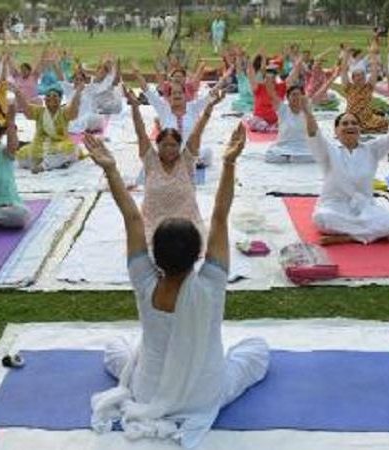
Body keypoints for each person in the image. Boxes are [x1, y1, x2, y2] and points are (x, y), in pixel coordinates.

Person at [86, 123, 269, 448]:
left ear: (154, 253)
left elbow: (132, 218)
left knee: (116, 347)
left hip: (147, 392)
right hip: (204, 393)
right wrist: (229, 162)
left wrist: (111, 169)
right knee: (256, 349)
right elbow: (220, 217)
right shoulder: (211, 284)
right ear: (198, 253)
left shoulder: (144, 280)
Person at [303, 90, 389, 246]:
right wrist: (308, 113)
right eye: (345, 123)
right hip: (335, 207)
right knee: (322, 218)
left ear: (360, 129)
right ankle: (367, 233)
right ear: (336, 131)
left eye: (354, 123)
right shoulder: (328, 151)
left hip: (365, 208)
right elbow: (314, 135)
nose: (350, 126)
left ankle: (349, 237)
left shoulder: (372, 149)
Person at [123, 85, 223, 244]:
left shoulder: (187, 160)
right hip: (153, 222)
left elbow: (198, 131)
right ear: (157, 145)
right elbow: (140, 132)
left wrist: (209, 109)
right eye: (165, 145)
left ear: (180, 146)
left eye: (173, 145)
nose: (169, 149)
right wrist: (135, 107)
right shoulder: (150, 160)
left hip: (186, 221)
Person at [132, 61, 227, 165]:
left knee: (208, 152)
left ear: (185, 96)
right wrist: (137, 73)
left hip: (190, 153)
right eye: (174, 93)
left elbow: (210, 94)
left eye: (180, 93)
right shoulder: (164, 108)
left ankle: (190, 163)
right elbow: (147, 91)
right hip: (168, 153)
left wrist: (222, 82)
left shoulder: (193, 107)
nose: (177, 95)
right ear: (169, 97)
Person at [14, 81, 83, 173]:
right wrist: (18, 93)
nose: (51, 98)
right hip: (39, 145)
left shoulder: (63, 112)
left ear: (60, 99)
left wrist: (78, 93)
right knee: (21, 155)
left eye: (55, 96)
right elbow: (27, 110)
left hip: (59, 144)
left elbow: (73, 111)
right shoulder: (40, 111)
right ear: (44, 99)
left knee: (70, 149)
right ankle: (55, 163)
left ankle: (45, 165)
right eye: (48, 96)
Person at [341, 41, 389, 134]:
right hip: (352, 118)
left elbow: (374, 70)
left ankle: (363, 127)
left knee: (385, 121)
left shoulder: (368, 87)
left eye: (362, 75)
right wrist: (346, 54)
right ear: (353, 78)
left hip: (367, 117)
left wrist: (373, 54)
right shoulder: (348, 87)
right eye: (358, 75)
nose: (361, 77)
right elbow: (343, 70)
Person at [263, 82, 314, 164]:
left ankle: (292, 157)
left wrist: (332, 78)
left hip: (303, 146)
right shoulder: (283, 108)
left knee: (317, 155)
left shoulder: (306, 108)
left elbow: (321, 92)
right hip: (284, 145)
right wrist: (268, 76)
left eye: (299, 94)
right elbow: (271, 93)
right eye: (293, 95)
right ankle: (289, 157)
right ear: (288, 97)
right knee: (270, 156)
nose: (296, 97)